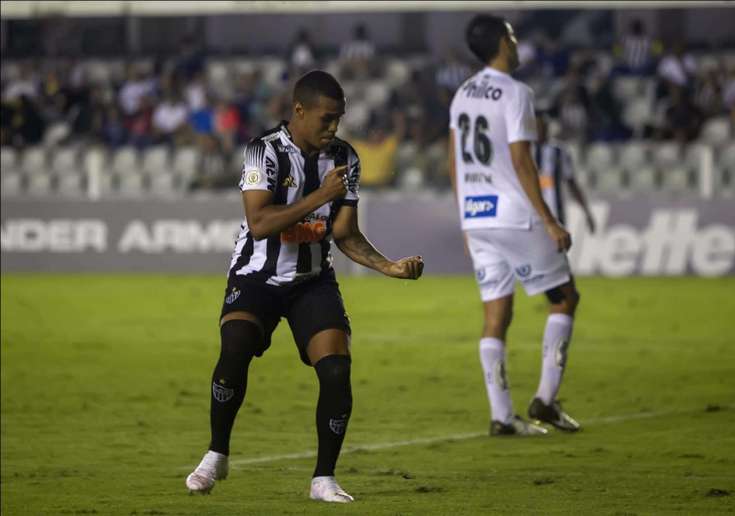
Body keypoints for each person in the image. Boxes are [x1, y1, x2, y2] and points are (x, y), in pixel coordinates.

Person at [185, 70, 424, 503]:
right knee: (235, 347)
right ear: (299, 111)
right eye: (327, 118)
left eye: (339, 119)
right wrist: (316, 198)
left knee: (336, 369)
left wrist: (387, 266)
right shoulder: (264, 152)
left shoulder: (345, 158)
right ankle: (216, 453)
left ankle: (323, 479)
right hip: (256, 275)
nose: (334, 128)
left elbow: (346, 234)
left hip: (312, 280)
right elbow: (260, 224)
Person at [448, 15, 581, 437]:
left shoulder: (462, 94)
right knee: (564, 298)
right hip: (514, 216)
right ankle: (545, 399)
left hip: (478, 217)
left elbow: (454, 162)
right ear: (502, 44)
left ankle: (502, 416)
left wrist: (467, 222)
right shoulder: (516, 92)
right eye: (511, 35)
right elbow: (523, 162)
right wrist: (550, 220)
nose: (516, 41)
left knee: (496, 315)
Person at [533, 111, 596, 234]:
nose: (539, 130)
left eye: (541, 126)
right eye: (536, 126)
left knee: (557, 251)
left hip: (556, 214)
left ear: (547, 128)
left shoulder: (559, 151)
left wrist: (586, 211)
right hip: (531, 215)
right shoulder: (525, 151)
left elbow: (571, 183)